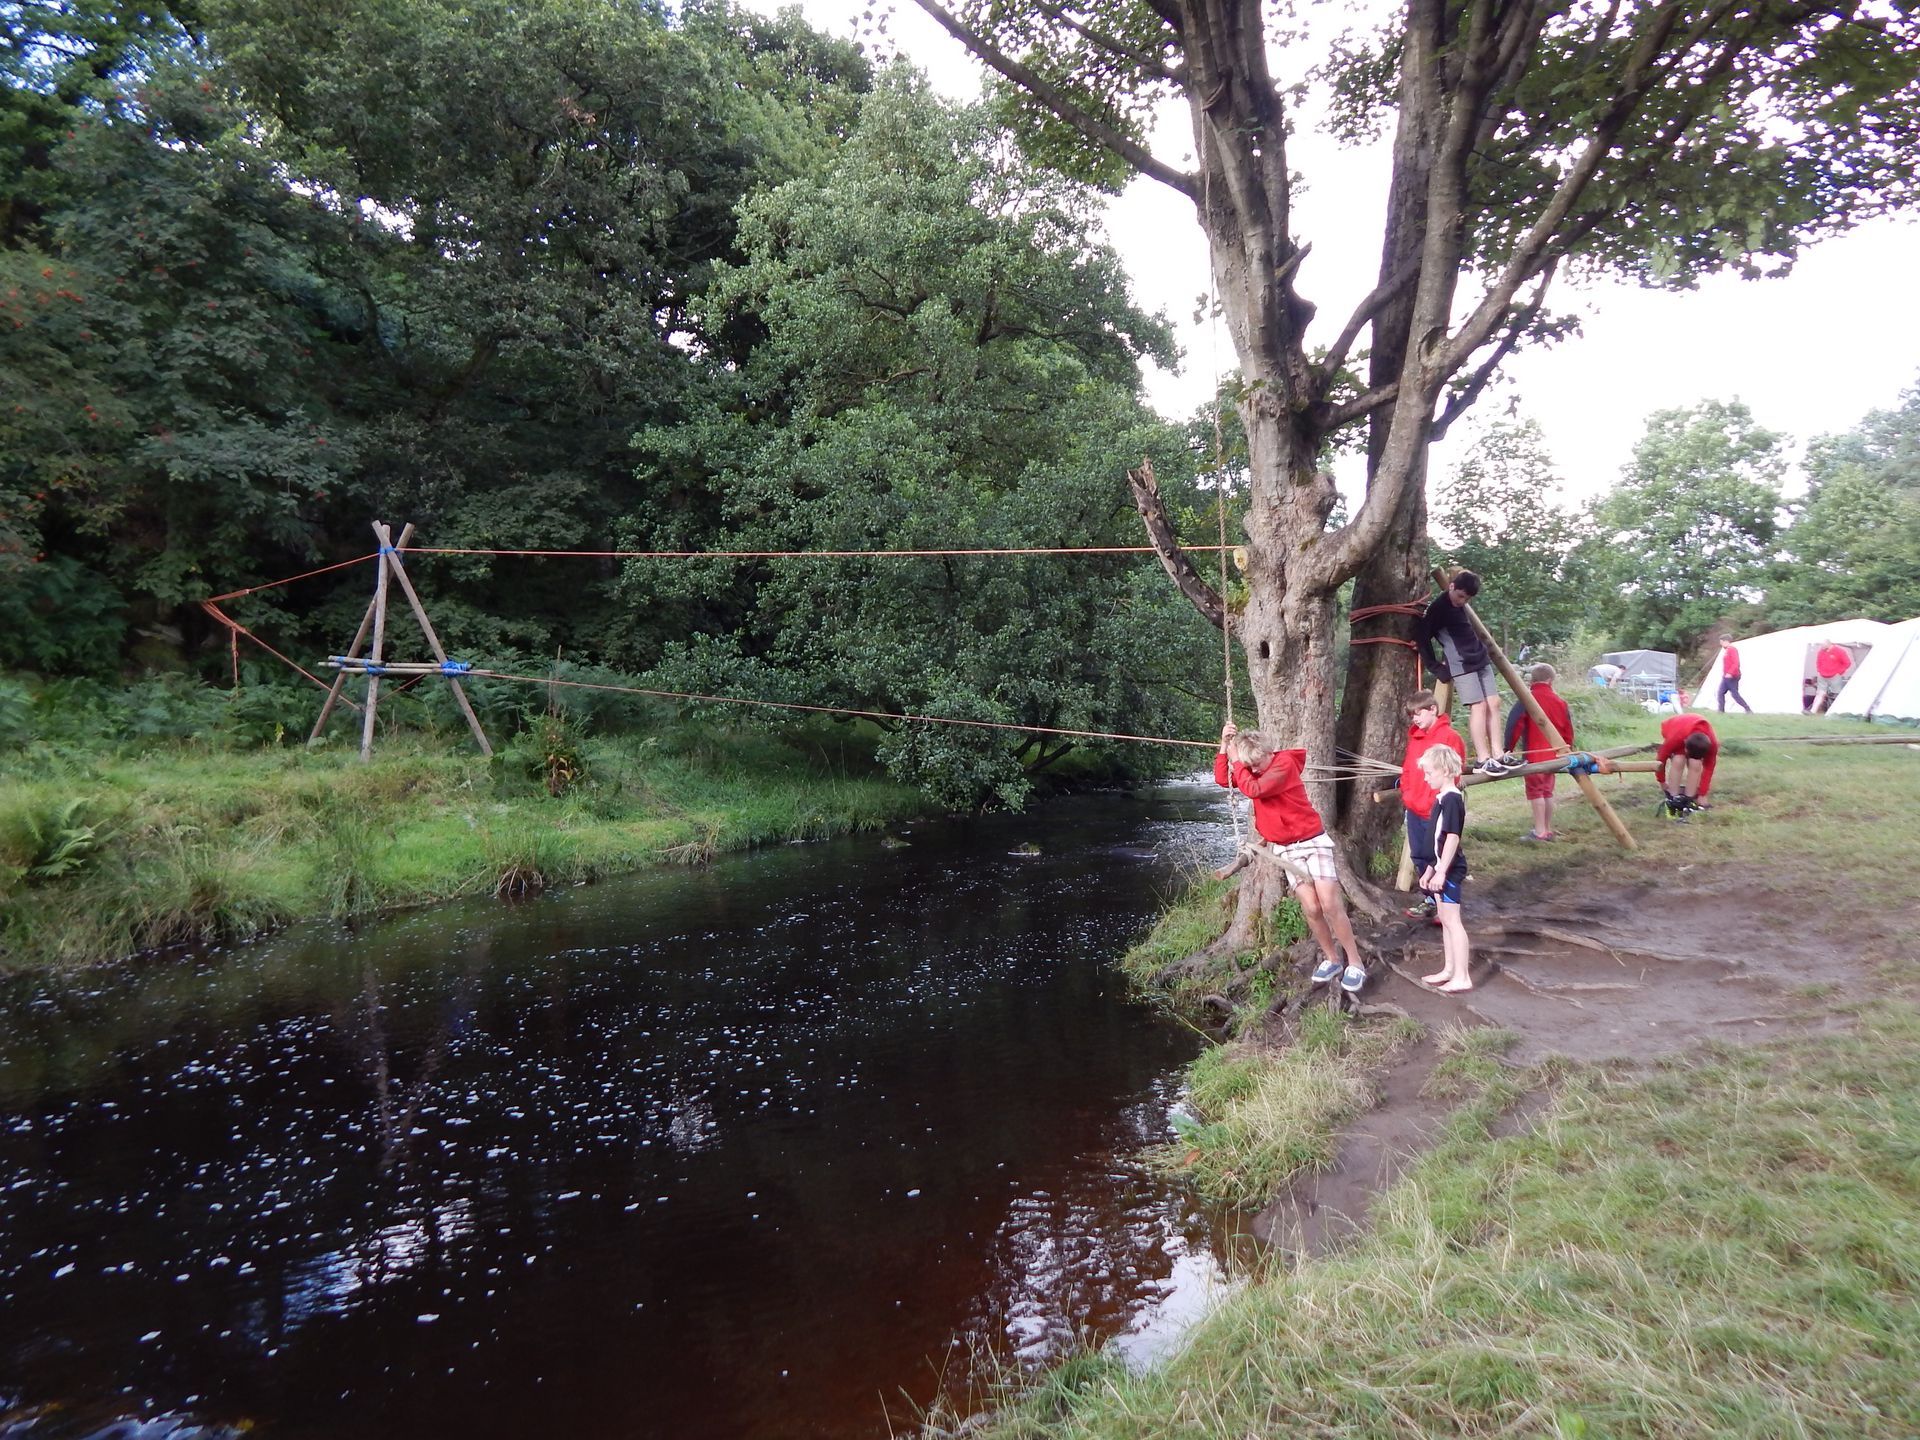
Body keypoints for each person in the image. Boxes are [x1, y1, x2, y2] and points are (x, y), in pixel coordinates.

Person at [1215, 721, 1368, 994]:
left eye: (1258, 763)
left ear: (1268, 752)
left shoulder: (1283, 765)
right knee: (1311, 907)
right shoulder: (1251, 771)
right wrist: (1225, 747)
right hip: (1286, 849)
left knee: (1330, 904)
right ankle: (1332, 959)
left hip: (1312, 842)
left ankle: (1355, 963)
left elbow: (1255, 790)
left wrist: (1239, 762)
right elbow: (1222, 780)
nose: (1255, 769)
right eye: (1251, 766)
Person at [1414, 570, 1509, 775]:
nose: (1462, 601)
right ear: (1451, 587)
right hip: (1462, 665)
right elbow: (1422, 638)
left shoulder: (1461, 605)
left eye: (1466, 598)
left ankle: (1499, 754)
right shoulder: (1438, 609)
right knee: (1479, 706)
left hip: (1480, 658)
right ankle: (1483, 759)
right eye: (1460, 596)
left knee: (1494, 703)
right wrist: (1435, 667)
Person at [1400, 690, 1466, 921]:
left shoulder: (1449, 737)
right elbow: (1408, 770)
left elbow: (1454, 771)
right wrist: (1407, 794)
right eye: (1412, 715)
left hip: (1435, 810)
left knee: (1441, 855)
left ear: (1433, 710)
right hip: (1414, 808)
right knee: (1420, 856)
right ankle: (1429, 898)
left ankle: (1446, 901)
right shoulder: (1415, 738)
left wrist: (1435, 803)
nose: (1415, 719)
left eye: (1419, 713)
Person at [1417, 745, 1473, 993]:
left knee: (1453, 921)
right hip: (1439, 868)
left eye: (1429, 773)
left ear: (1443, 770)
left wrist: (1441, 871)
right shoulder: (1441, 799)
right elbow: (1436, 840)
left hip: (1450, 870)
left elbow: (1451, 838)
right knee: (1445, 919)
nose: (1426, 777)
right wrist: (1430, 869)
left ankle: (1462, 975)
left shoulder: (1452, 799)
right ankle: (1449, 969)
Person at [1500, 662, 1574, 841]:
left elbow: (1514, 724)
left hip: (1535, 754)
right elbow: (1568, 730)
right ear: (1551, 680)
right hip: (1556, 754)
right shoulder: (1560, 702)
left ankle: (1539, 831)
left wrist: (1507, 749)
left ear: (1532, 679)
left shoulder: (1527, 698)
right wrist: (1567, 748)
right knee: (1548, 792)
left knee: (1536, 792)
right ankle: (1547, 829)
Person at [1654, 712, 1718, 817]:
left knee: (1695, 764)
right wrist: (1661, 781)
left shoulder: (1712, 744)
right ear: (1685, 744)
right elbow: (1660, 760)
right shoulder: (1674, 738)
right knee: (1678, 759)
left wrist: (1702, 794)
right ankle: (1673, 797)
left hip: (1690, 732)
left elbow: (1709, 768)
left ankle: (1689, 798)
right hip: (1673, 727)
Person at [1715, 634, 1752, 713]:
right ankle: (1721, 710)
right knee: (1720, 693)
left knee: (1735, 694)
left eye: (1721, 642)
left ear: (1726, 641)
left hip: (1732, 676)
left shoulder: (1732, 649)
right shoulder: (1727, 650)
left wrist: (1730, 673)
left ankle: (1747, 709)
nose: (1720, 643)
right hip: (1726, 676)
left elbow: (1736, 663)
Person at [1814, 640, 1852, 713]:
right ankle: (1813, 710)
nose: (1821, 646)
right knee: (1820, 693)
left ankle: (1836, 712)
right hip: (1822, 675)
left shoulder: (1840, 651)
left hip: (1834, 676)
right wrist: (1819, 670)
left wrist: (1839, 672)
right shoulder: (1821, 652)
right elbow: (1818, 662)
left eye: (1823, 645)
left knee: (1836, 694)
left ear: (1829, 644)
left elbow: (1847, 663)